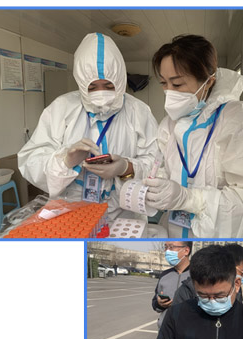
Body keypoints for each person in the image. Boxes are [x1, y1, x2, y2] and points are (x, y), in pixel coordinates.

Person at [144, 34, 243, 238]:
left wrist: (191, 200)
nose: (169, 92)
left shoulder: (239, 121)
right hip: (172, 231)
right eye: (164, 83)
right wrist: (158, 184)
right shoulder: (169, 125)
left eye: (177, 84)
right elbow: (162, 165)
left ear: (208, 81)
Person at [18, 33, 159, 223]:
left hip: (123, 215)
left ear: (120, 81)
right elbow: (30, 162)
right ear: (81, 83)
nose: (101, 93)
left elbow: (156, 164)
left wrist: (126, 167)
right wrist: (64, 161)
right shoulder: (61, 108)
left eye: (108, 85)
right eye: (92, 87)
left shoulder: (139, 112)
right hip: (70, 214)